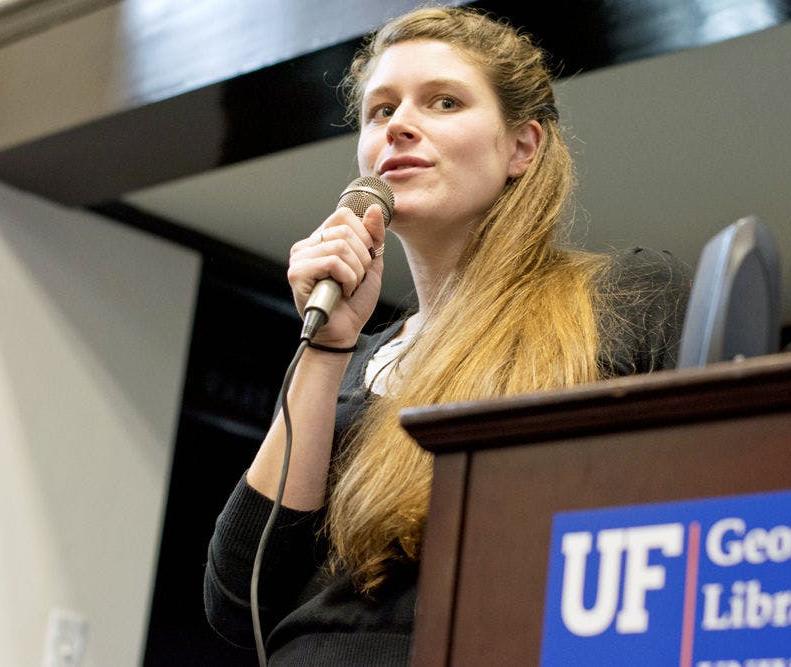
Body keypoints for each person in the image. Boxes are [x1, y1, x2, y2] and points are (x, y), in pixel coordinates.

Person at [203, 6, 691, 665]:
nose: (399, 125)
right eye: (380, 111)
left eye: (443, 101)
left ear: (522, 147)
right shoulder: (353, 359)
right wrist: (326, 347)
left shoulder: (620, 301)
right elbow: (240, 600)